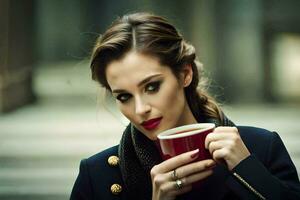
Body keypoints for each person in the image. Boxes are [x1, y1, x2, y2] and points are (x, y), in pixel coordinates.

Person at [70, 12, 300, 200]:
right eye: (123, 97)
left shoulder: (261, 148)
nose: (140, 109)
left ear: (185, 74)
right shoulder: (97, 175)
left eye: (151, 87)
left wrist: (248, 170)